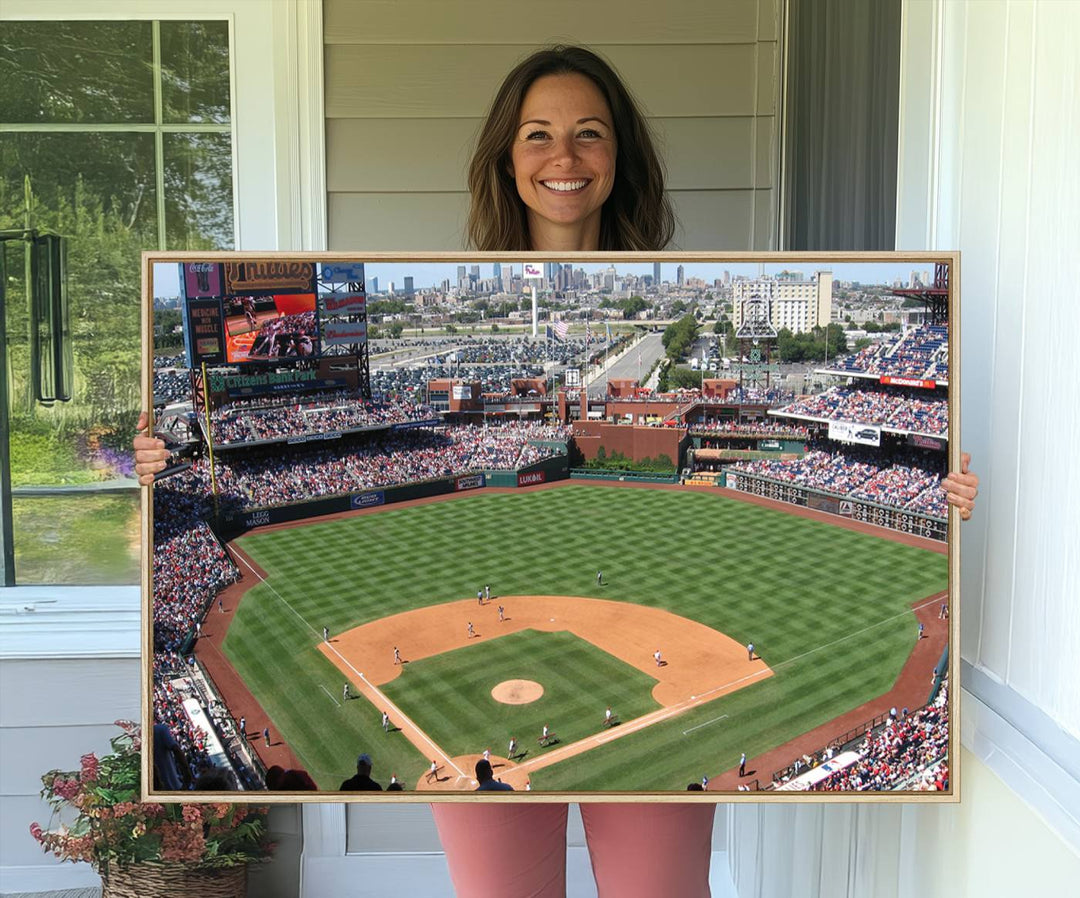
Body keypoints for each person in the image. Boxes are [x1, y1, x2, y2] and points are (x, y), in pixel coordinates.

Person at [132, 42, 980, 898]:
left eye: (590, 133)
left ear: (621, 156)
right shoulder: (438, 266)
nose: (563, 157)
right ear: (506, 156)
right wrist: (147, 467)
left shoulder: (718, 261)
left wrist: (949, 488)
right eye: (537, 134)